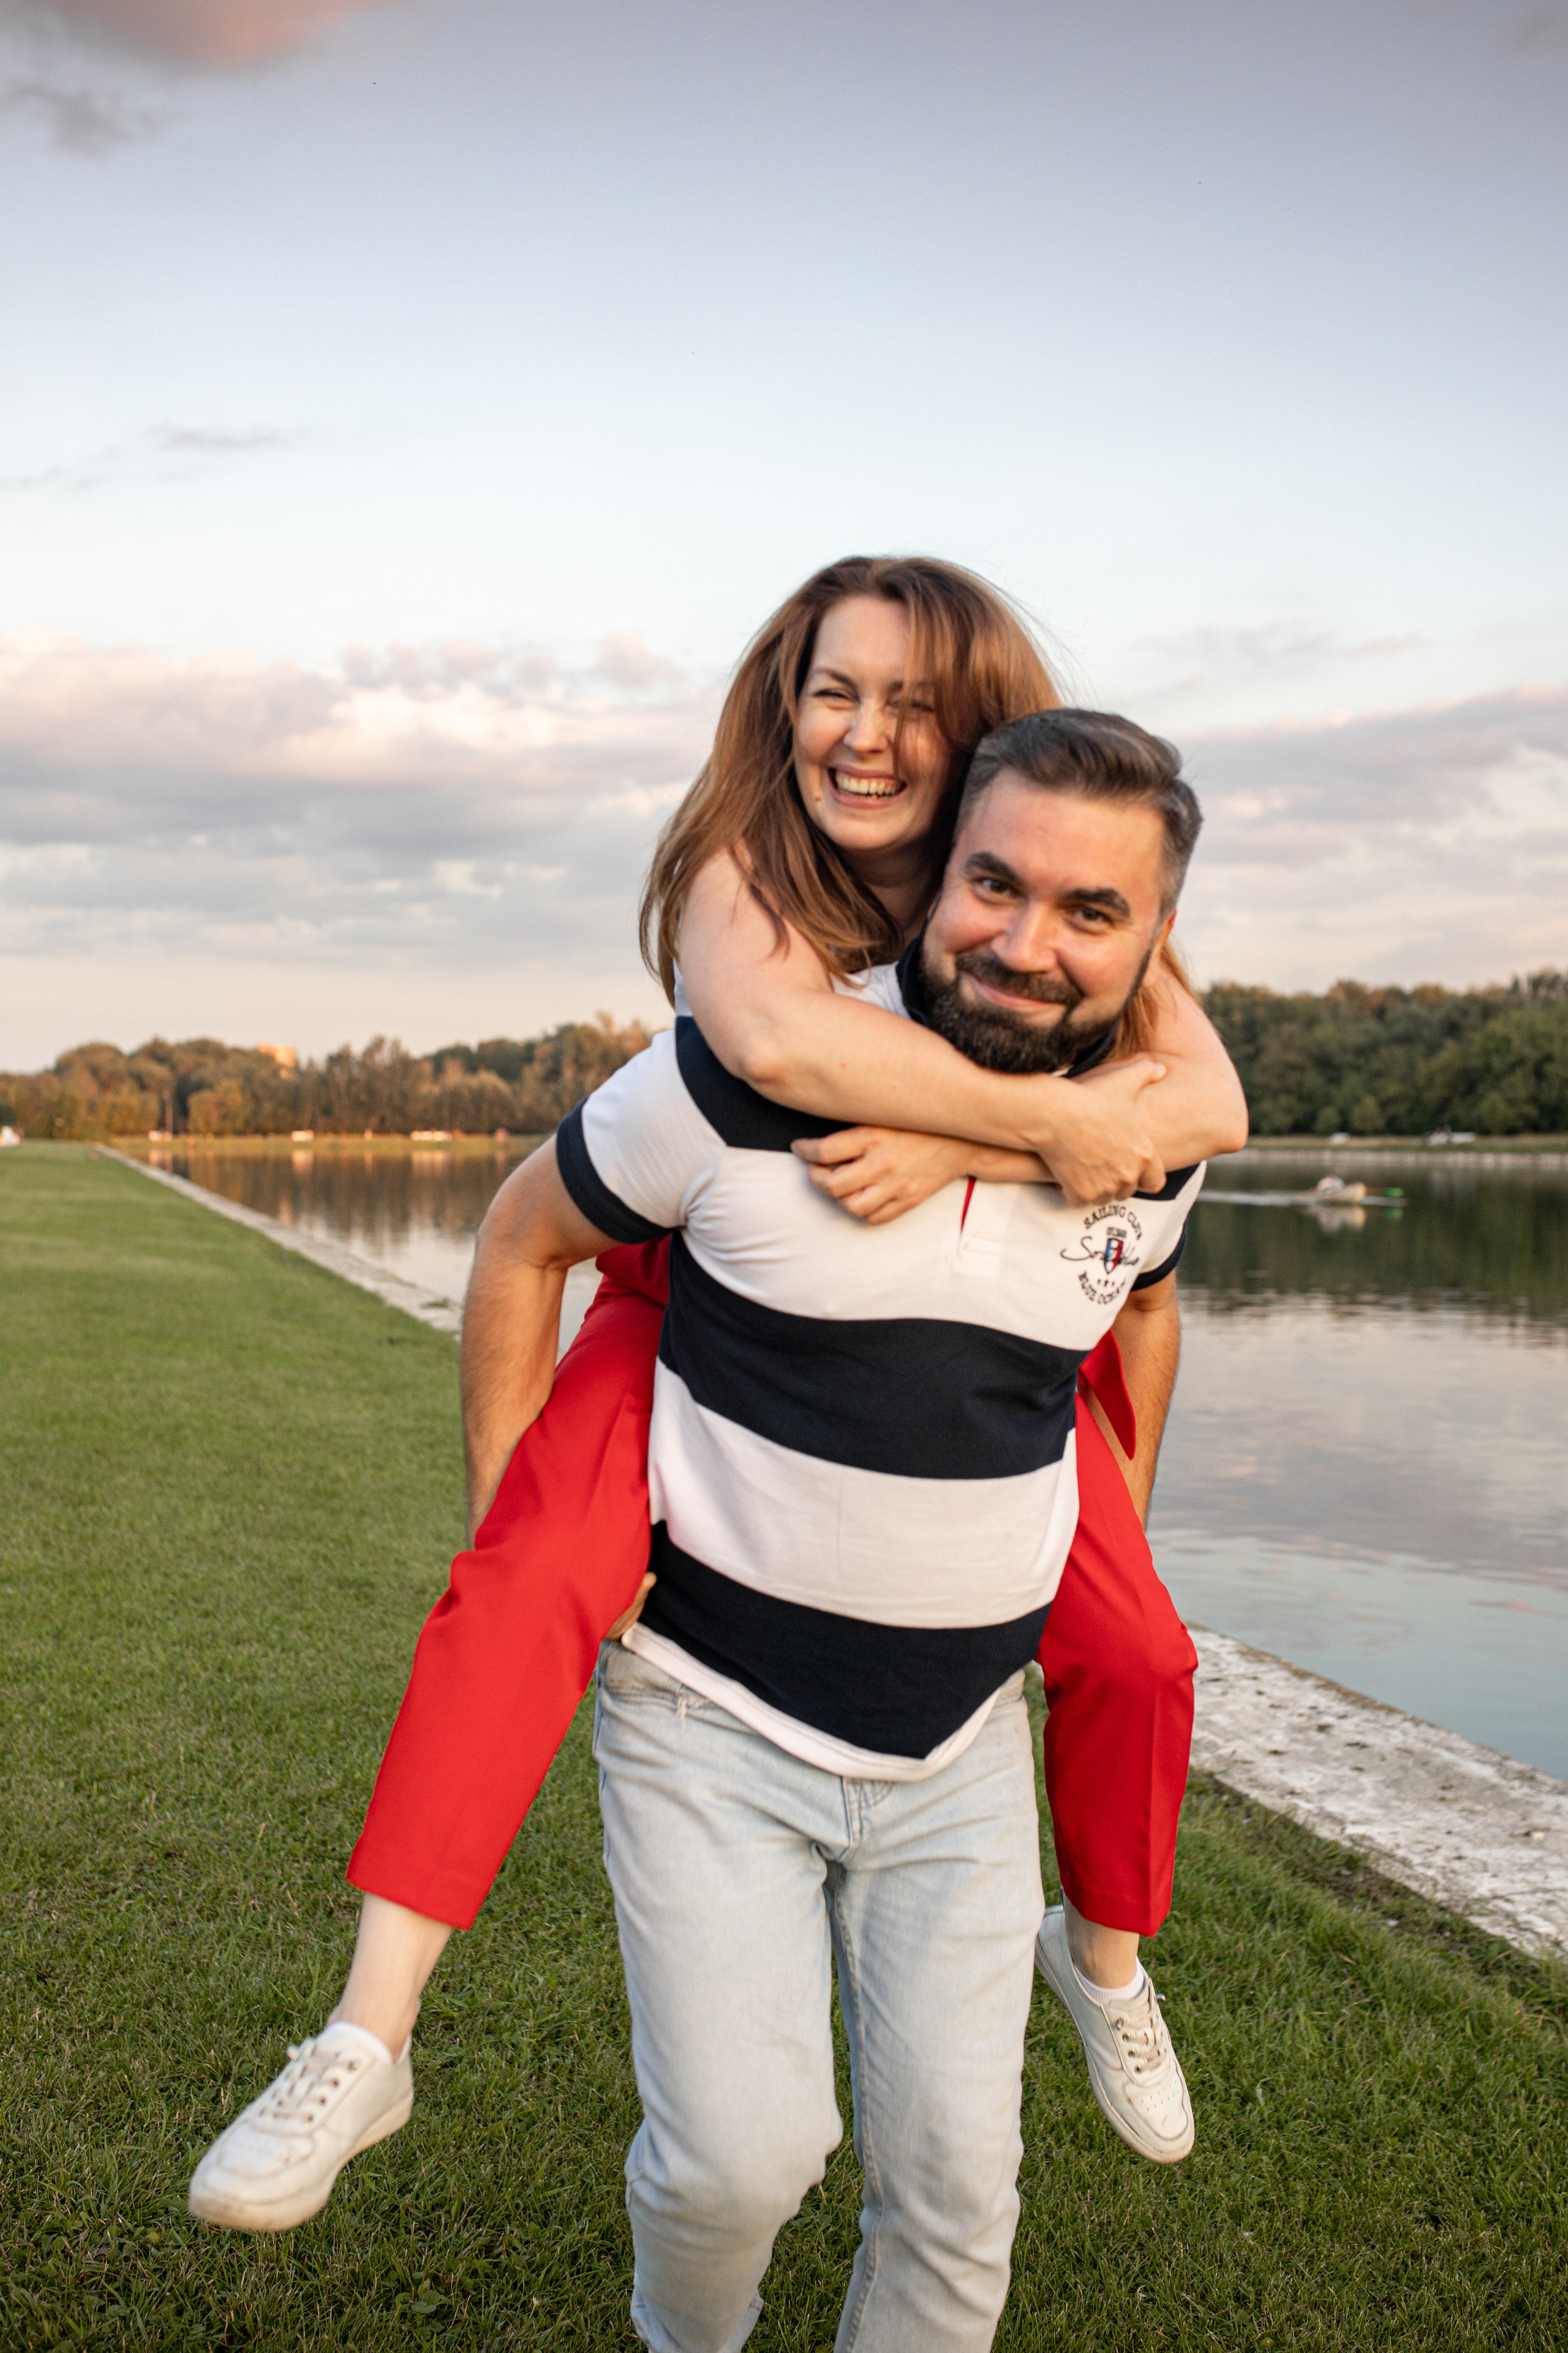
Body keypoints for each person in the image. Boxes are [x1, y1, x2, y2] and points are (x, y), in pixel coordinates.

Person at [187, 565, 1245, 2245]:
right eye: (837, 690)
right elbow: (770, 1049)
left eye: (914, 702)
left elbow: (1199, 1102)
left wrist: (984, 1142)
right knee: (526, 1586)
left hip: (954, 1326)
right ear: (782, 699)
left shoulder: (1047, 872)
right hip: (690, 1281)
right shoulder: (745, 869)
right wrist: (1027, 1129)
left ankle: (1106, 1950)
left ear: (984, 734)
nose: (870, 734)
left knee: (1142, 1649)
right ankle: (365, 2031)